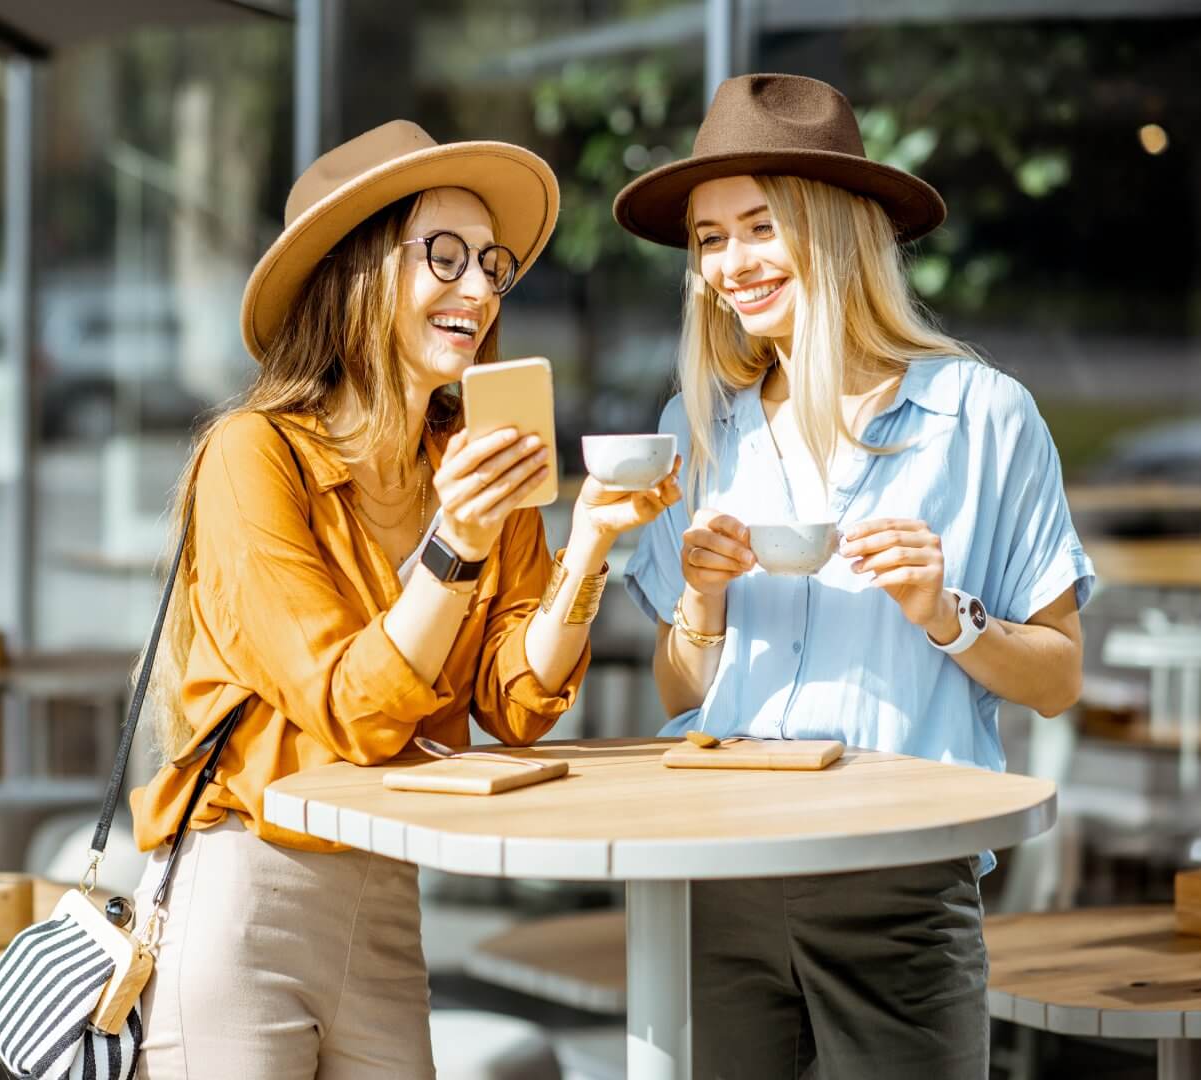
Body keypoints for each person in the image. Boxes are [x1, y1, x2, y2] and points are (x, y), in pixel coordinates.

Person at [126, 119, 681, 1079]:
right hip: (247, 891)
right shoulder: (254, 458)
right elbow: (352, 707)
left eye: (490, 263)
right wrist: (454, 545)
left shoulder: (467, 462)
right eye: (446, 256)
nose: (479, 287)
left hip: (387, 900)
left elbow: (516, 702)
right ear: (359, 271)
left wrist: (587, 543)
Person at [616, 74, 1095, 1078]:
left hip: (896, 876)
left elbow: (1055, 680)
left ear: (832, 229)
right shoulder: (693, 431)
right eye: (709, 240)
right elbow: (679, 692)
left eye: (758, 226)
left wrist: (945, 614)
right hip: (713, 869)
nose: (730, 264)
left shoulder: (982, 417)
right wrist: (700, 598)